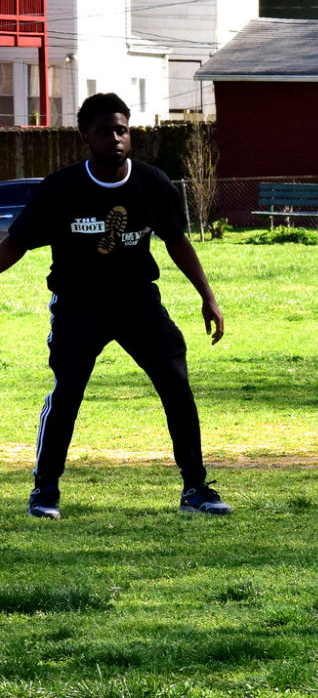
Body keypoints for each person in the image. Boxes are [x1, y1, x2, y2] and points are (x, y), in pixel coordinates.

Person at [1, 92, 231, 519]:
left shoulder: (152, 184)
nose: (115, 138)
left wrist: (208, 297)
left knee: (176, 386)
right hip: (78, 304)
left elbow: (178, 243)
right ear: (85, 135)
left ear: (131, 134)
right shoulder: (60, 189)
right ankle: (45, 491)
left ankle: (196, 488)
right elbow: (15, 244)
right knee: (67, 392)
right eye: (104, 131)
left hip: (137, 302)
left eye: (122, 130)